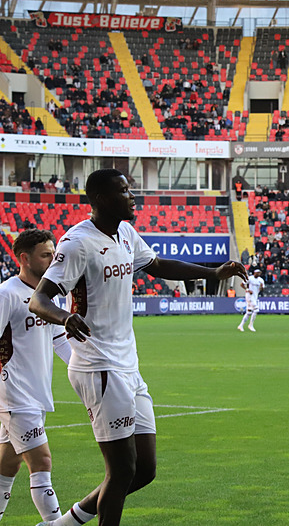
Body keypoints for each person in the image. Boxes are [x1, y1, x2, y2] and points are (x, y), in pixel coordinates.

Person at [28, 169, 247, 526]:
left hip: (128, 365)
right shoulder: (76, 242)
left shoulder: (126, 233)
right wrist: (64, 318)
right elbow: (39, 300)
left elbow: (158, 265)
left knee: (144, 470)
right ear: (100, 199)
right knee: (122, 470)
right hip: (97, 366)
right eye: (124, 190)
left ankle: (65, 523)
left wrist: (212, 273)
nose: (133, 196)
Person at [0, 230, 71, 523]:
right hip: (14, 394)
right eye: (46, 254)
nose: (53, 259)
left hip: (37, 393)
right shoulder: (7, 294)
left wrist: (85, 369)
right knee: (41, 461)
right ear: (25, 259)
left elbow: (60, 340)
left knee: (7, 466)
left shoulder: (49, 296)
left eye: (54, 254)